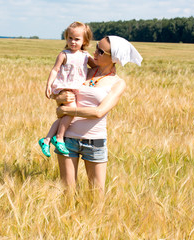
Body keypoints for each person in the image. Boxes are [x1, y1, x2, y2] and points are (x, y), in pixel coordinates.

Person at [54, 35, 143, 194]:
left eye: (100, 51)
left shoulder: (117, 83)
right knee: (67, 194)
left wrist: (66, 110)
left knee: (96, 196)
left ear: (113, 58)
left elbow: (98, 112)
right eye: (96, 47)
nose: (94, 53)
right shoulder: (82, 72)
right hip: (67, 138)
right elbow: (62, 93)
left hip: (94, 142)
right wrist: (59, 99)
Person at [38, 21, 96, 157]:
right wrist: (48, 85)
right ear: (66, 38)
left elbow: (96, 67)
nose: (73, 42)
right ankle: (59, 138)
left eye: (77, 39)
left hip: (77, 89)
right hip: (65, 87)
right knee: (71, 112)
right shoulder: (64, 55)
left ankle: (46, 140)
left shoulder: (85, 56)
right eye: (70, 38)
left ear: (85, 40)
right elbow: (55, 70)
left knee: (65, 116)